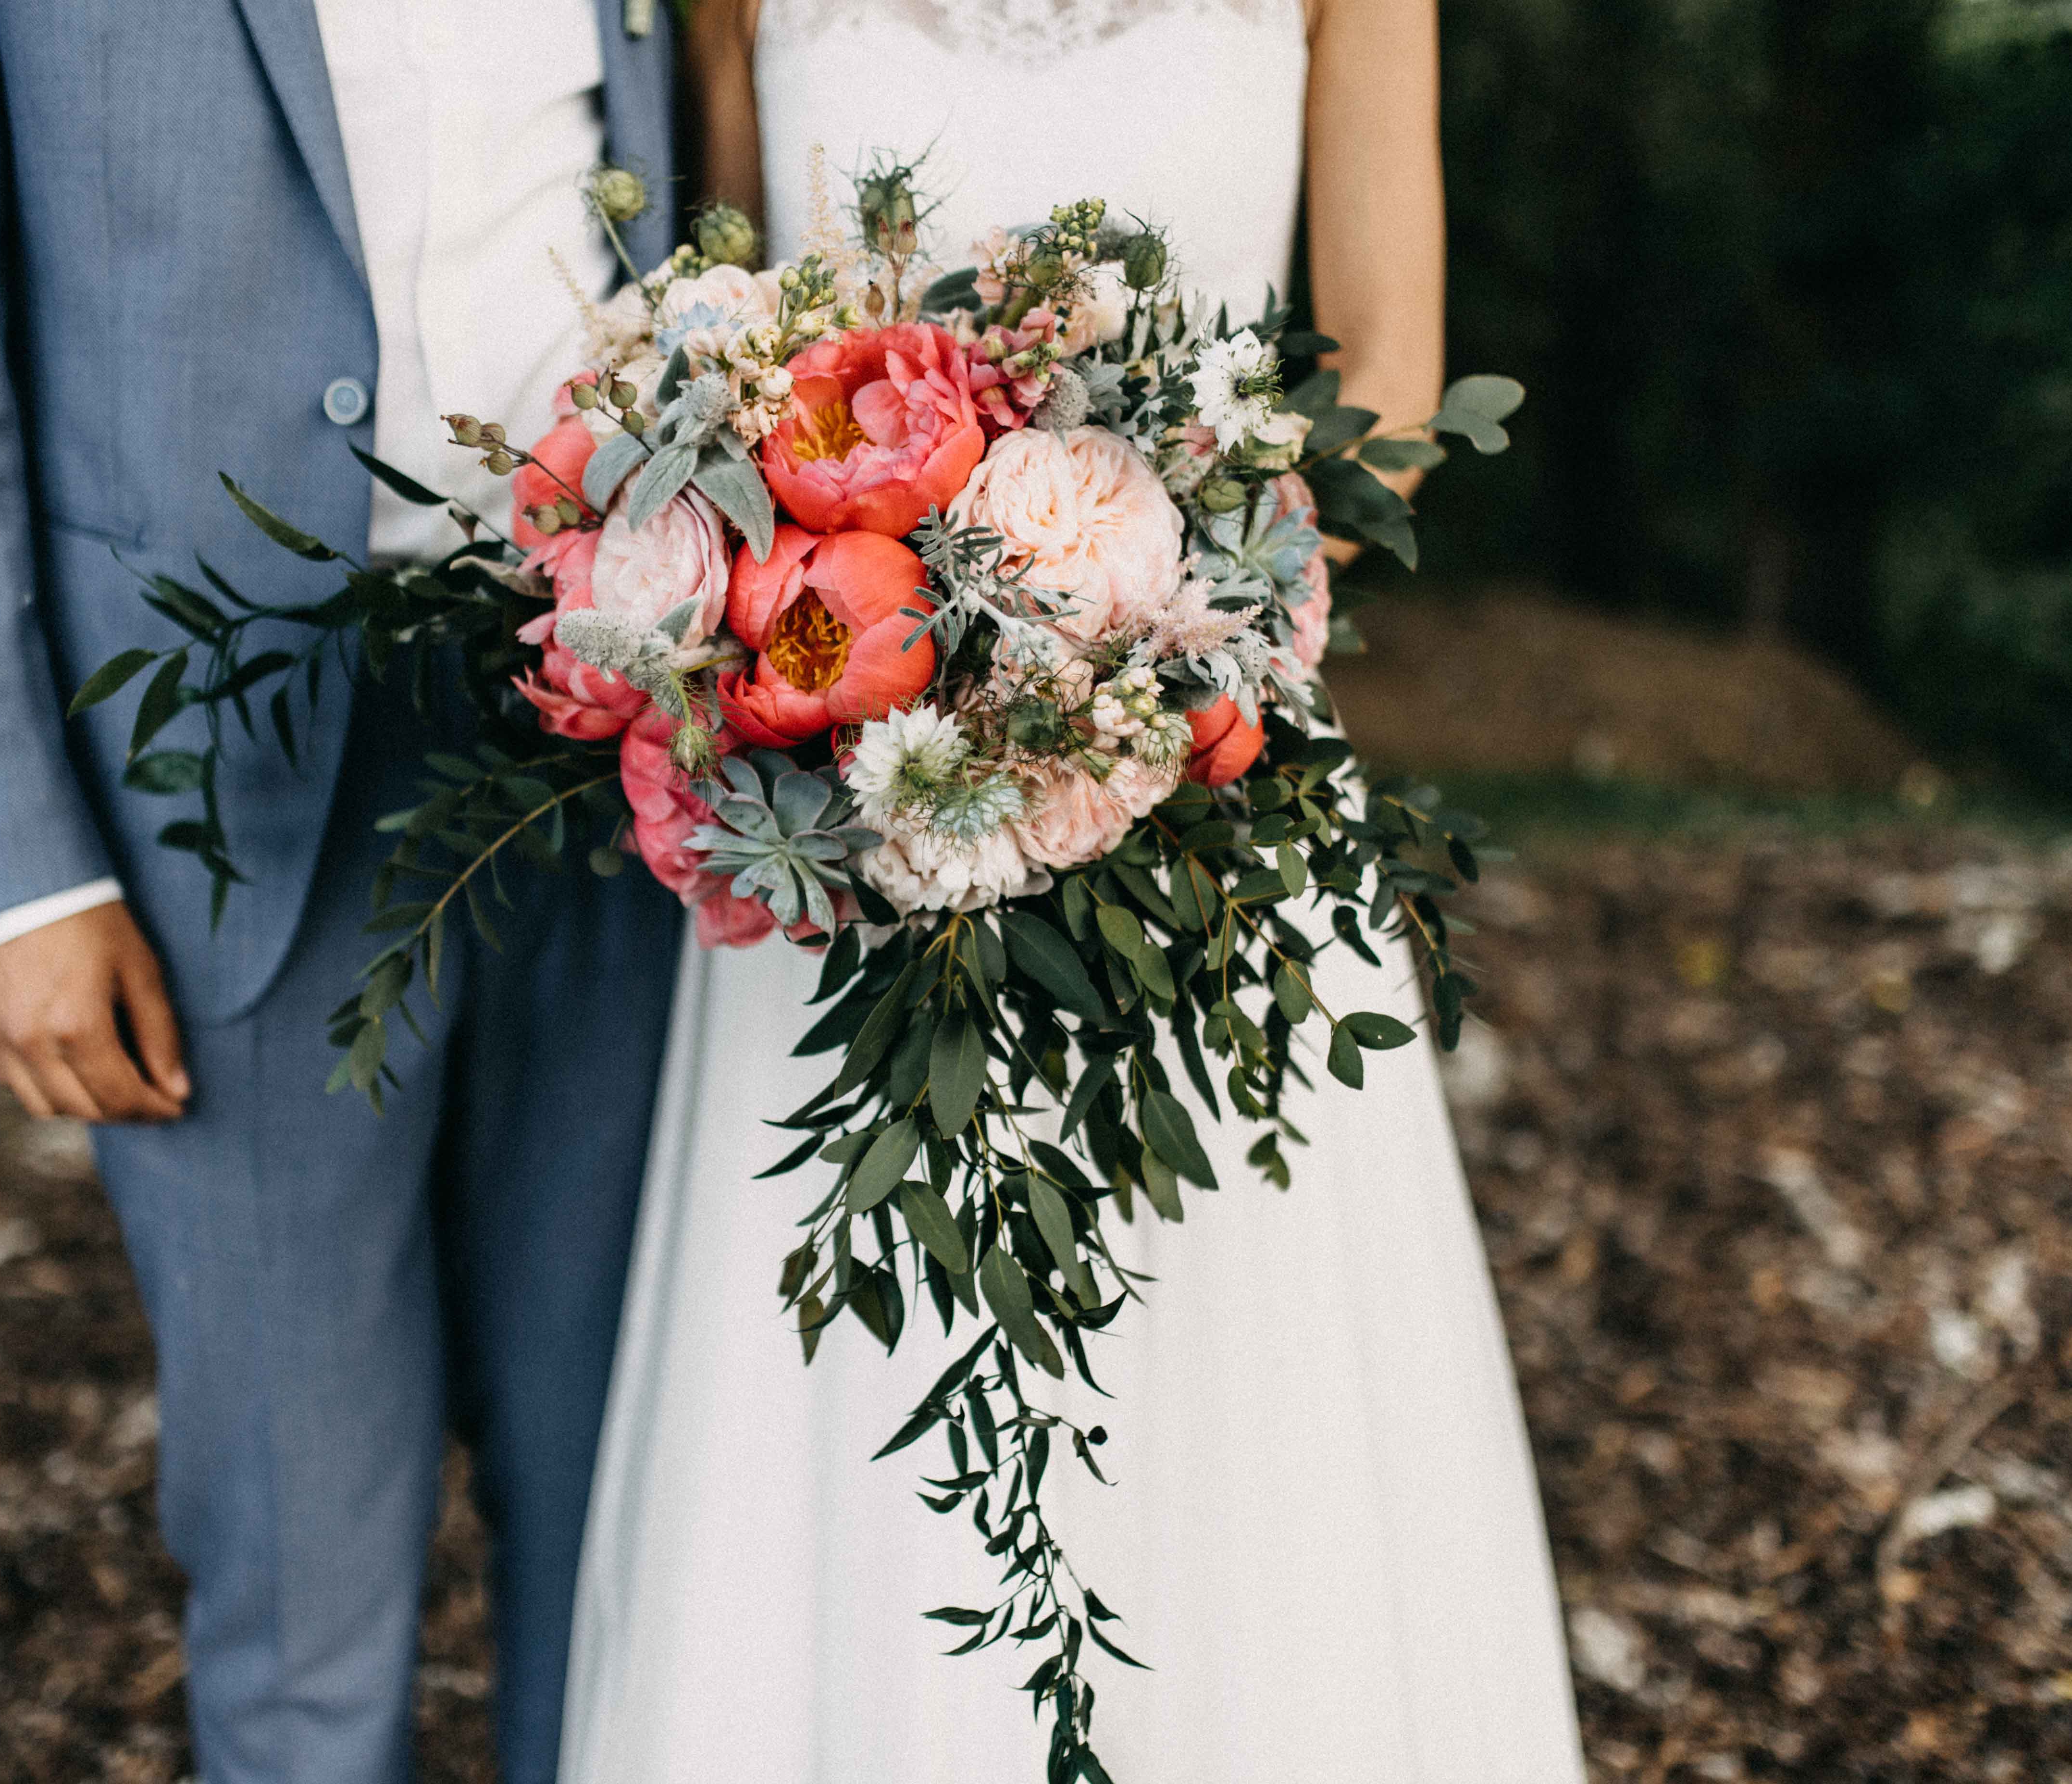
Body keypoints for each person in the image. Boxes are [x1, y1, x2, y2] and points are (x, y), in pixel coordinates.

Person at [558, 2, 1589, 1778]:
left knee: (1237, 1382)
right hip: (847, 809)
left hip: (1201, 754)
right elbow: (738, 379)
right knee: (847, 1392)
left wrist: (1097, 628)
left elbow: (1393, 400)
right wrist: (895, 647)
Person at [0, 7, 682, 1782]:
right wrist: (11, 864)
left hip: (641, 718)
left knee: (630, 1522)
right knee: (304, 1558)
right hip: (232, 754)